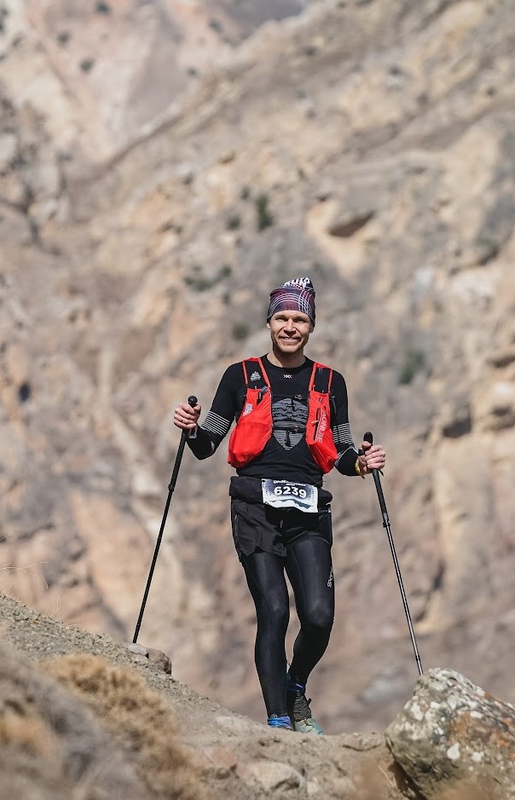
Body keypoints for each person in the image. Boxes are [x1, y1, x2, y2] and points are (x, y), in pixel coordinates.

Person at [172, 277, 386, 734]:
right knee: (273, 609)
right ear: (269, 322)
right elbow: (208, 442)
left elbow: (343, 451)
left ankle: (295, 686)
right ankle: (278, 721)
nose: (290, 326)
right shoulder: (239, 376)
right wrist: (190, 427)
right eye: (282, 318)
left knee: (319, 615)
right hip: (254, 507)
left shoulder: (331, 382)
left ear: (311, 326)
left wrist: (364, 462)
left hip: (308, 508)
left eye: (300, 319)